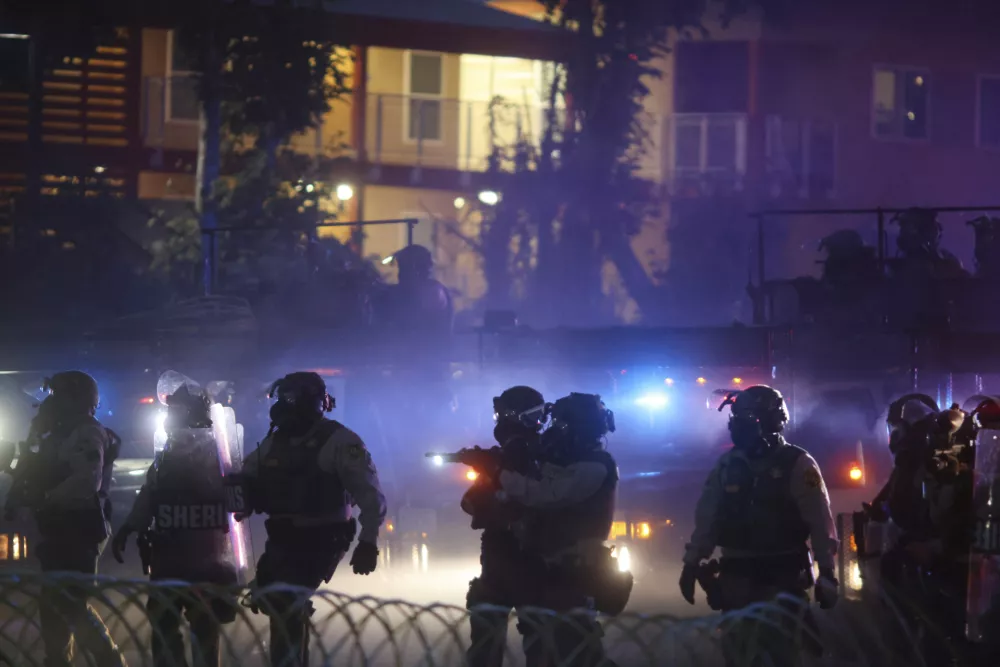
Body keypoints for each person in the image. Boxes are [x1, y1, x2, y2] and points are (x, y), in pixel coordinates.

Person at [679, 385, 838, 667]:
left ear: (768, 422)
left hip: (783, 577)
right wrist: (692, 563)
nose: (739, 427)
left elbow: (819, 519)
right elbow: (708, 518)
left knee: (783, 655)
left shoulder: (799, 464)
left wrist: (827, 573)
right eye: (736, 420)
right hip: (735, 580)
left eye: (746, 420)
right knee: (738, 654)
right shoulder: (727, 465)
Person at [465, 392, 628, 667]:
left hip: (574, 572)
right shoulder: (562, 462)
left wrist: (498, 472)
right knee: (545, 648)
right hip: (549, 574)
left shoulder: (594, 466)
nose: (553, 430)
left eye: (561, 425)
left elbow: (544, 495)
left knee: (576, 652)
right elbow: (472, 502)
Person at [236, 371, 387, 667]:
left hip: (322, 538)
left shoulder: (340, 441)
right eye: (282, 399)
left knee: (285, 603)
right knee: (274, 603)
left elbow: (371, 496)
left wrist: (368, 541)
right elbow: (246, 476)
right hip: (282, 540)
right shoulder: (273, 443)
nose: (283, 406)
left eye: (290, 399)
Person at [111, 373, 245, 667]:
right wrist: (130, 527)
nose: (169, 417)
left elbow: (239, 505)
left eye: (175, 411)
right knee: (163, 630)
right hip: (169, 560)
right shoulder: (167, 453)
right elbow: (151, 492)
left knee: (204, 635)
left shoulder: (219, 453)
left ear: (193, 413)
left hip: (207, 560)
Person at [3, 371, 126, 667]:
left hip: (80, 528)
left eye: (58, 396)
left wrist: (45, 498)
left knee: (70, 604)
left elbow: (86, 481)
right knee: (52, 608)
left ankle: (111, 662)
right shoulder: (61, 435)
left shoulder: (86, 433)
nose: (51, 403)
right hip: (58, 528)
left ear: (77, 400)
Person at [463, 386, 547, 667]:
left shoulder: (542, 457)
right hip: (507, 555)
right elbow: (471, 502)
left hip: (531, 555)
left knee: (539, 641)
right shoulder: (513, 457)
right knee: (497, 639)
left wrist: (496, 476)